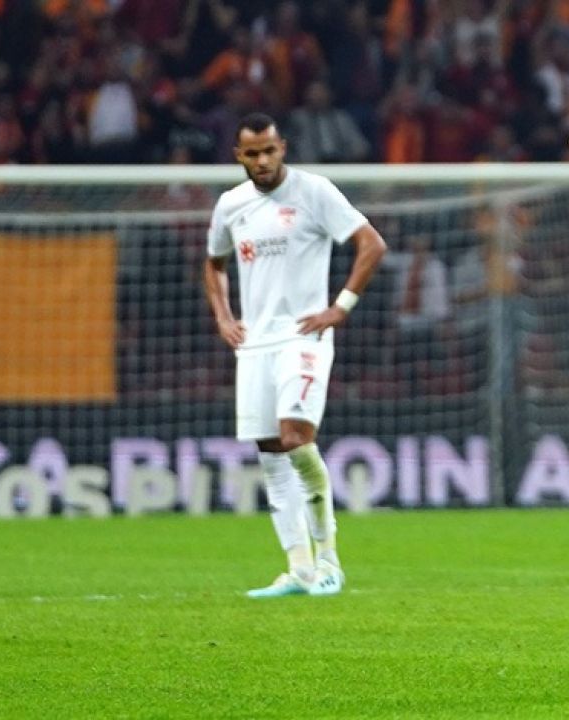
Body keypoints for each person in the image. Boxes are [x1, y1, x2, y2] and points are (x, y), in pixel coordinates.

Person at [202, 113, 387, 598]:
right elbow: (214, 263)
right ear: (238, 156)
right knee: (270, 454)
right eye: (252, 153)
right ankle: (299, 569)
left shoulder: (314, 191)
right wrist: (223, 316)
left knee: (296, 440)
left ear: (282, 147)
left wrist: (340, 307)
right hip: (255, 344)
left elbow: (371, 244)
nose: (262, 160)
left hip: (303, 337)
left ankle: (329, 562)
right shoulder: (231, 205)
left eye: (269, 150)